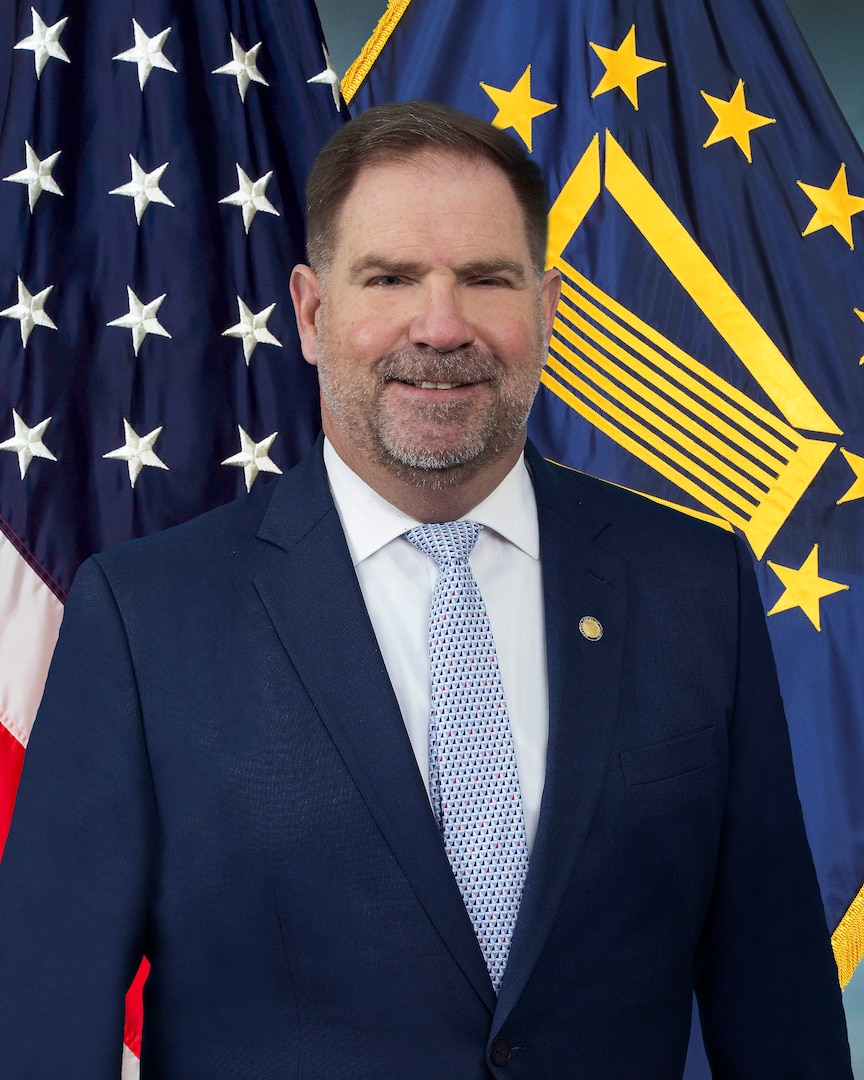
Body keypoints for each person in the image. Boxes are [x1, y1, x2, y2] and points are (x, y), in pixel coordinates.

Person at [0, 101, 852, 1078]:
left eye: (486, 279)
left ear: (546, 310)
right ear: (314, 315)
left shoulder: (697, 590)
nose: (440, 326)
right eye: (392, 277)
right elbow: (41, 1031)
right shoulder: (145, 619)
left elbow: (782, 1022)